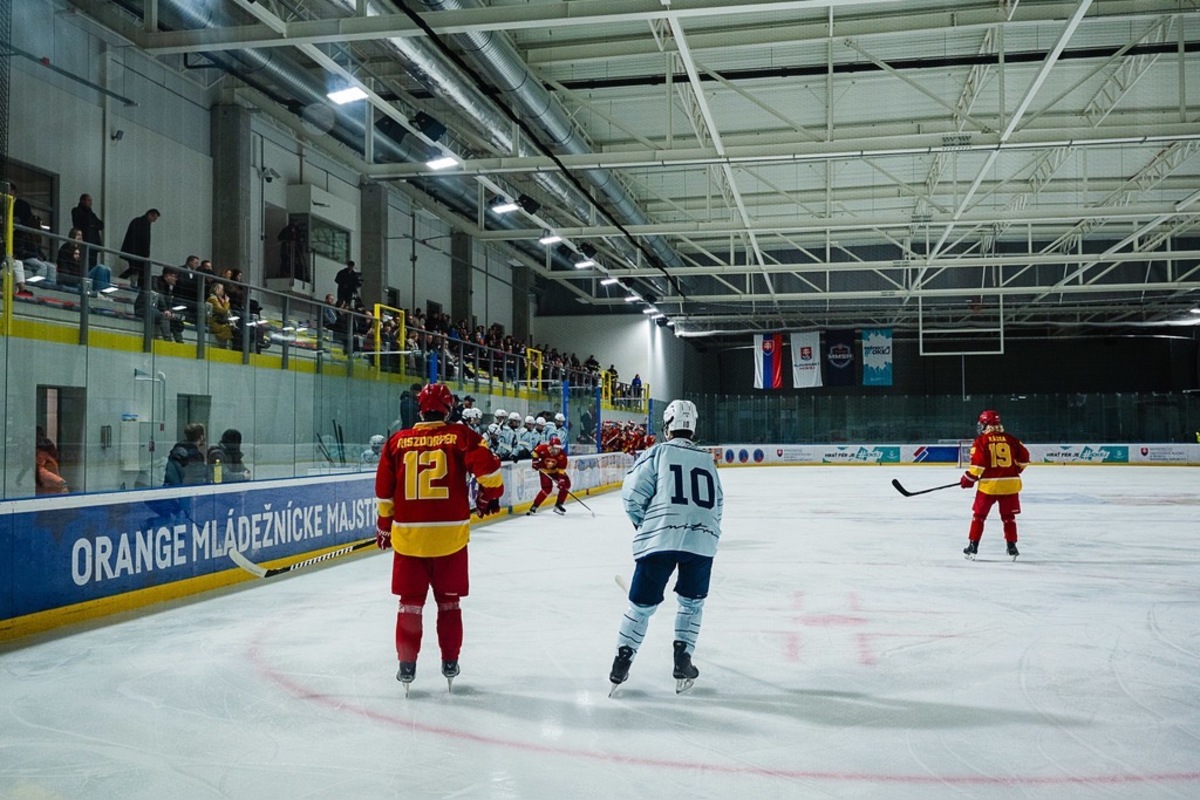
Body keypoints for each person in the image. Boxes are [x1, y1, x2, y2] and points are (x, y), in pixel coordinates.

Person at [374, 383, 504, 695]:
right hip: (451, 540)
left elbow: (383, 490)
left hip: (409, 539)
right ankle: (450, 661)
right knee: (449, 605)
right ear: (449, 408)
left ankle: (407, 665)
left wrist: (384, 524)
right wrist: (489, 495)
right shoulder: (461, 436)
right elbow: (490, 472)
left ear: (420, 409)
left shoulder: (396, 442)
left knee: (409, 606)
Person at [609, 399, 723, 696]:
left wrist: (644, 526)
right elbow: (718, 504)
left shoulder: (657, 453)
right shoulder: (707, 459)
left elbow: (632, 495)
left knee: (640, 607)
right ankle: (682, 659)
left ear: (667, 424)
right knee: (692, 603)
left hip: (660, 538)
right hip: (701, 542)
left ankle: (622, 662)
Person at [960, 409, 1030, 560]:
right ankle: (1012, 547)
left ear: (986, 424)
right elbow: (1024, 459)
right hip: (1010, 486)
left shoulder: (981, 441)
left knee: (979, 516)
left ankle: (973, 546)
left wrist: (968, 479)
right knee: (1009, 517)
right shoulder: (1011, 439)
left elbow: (978, 467)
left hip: (988, 486)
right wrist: (1014, 470)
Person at [134, 266, 185, 342]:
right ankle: (168, 341)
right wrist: (165, 310)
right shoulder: (154, 280)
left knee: (174, 319)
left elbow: (168, 304)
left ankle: (180, 342)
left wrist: (170, 313)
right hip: (144, 308)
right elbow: (156, 295)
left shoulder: (168, 289)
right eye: (175, 277)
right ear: (167, 276)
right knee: (164, 316)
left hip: (157, 310)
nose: (176, 279)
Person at [527, 436, 570, 516]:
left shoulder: (562, 455)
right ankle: (534, 506)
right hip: (544, 471)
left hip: (555, 471)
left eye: (558, 449)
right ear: (550, 446)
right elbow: (535, 452)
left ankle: (558, 505)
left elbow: (561, 470)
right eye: (555, 448)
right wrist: (535, 462)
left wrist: (561, 481)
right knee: (547, 489)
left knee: (566, 485)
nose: (557, 451)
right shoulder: (542, 448)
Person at [118, 208, 160, 287]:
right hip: (138, 253)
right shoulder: (145, 224)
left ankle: (126, 281)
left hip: (130, 251)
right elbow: (145, 240)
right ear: (150, 215)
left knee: (134, 268)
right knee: (138, 270)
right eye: (154, 218)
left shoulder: (136, 221)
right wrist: (146, 254)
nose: (154, 221)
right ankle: (140, 287)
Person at [70, 193, 104, 267]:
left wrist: (92, 225)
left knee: (92, 264)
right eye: (89, 200)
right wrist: (92, 224)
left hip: (93, 244)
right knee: (84, 263)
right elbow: (84, 222)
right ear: (82, 201)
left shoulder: (91, 213)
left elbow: (101, 225)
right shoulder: (76, 210)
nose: (91, 203)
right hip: (84, 242)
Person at [206, 281, 234, 348]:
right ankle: (223, 347)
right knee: (227, 329)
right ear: (216, 289)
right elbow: (222, 311)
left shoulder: (219, 300)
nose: (223, 291)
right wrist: (226, 302)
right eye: (221, 289)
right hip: (214, 323)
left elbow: (227, 311)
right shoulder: (212, 299)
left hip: (220, 322)